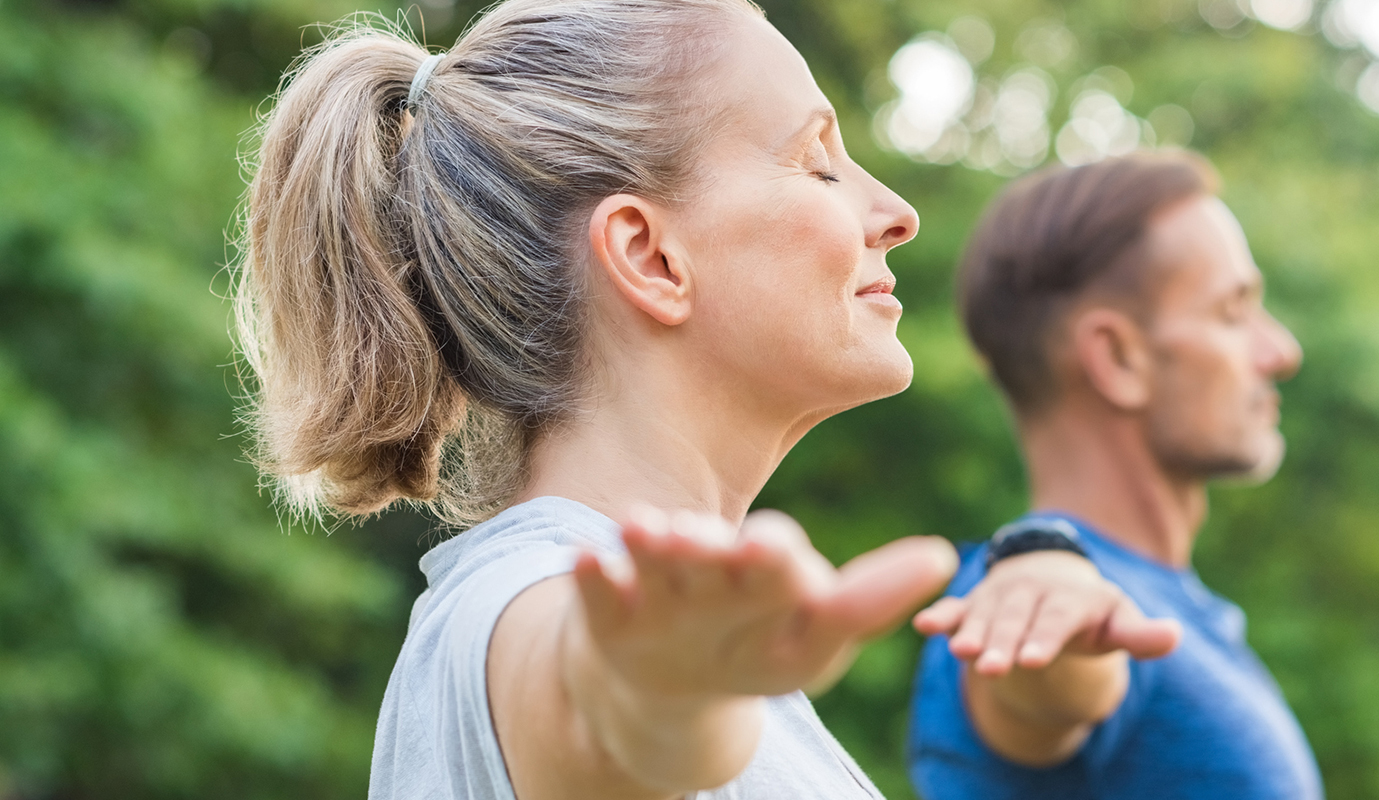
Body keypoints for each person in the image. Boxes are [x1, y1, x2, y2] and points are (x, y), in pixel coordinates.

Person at [234, 2, 962, 797]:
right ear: (650, 257)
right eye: (818, 162)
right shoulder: (529, 606)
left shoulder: (706, 648)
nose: (898, 214)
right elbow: (595, 705)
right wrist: (660, 693)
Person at [907, 152, 1323, 800]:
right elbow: (1045, 680)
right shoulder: (1023, 606)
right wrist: (1055, 607)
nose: (1282, 352)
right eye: (1233, 312)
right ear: (1118, 358)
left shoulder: (1177, 611)